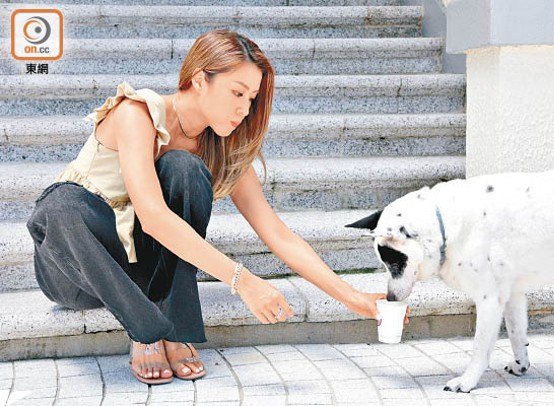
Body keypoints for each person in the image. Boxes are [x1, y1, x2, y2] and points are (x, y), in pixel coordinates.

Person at [26, 29, 385, 385]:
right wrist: (241, 280)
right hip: (76, 267)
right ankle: (147, 330)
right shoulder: (137, 112)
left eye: (252, 98)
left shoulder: (220, 147)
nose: (245, 109)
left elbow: (278, 234)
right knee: (62, 204)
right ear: (200, 79)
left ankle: (171, 325)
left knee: (184, 168)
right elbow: (152, 217)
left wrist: (354, 299)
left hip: (138, 271)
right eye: (237, 93)